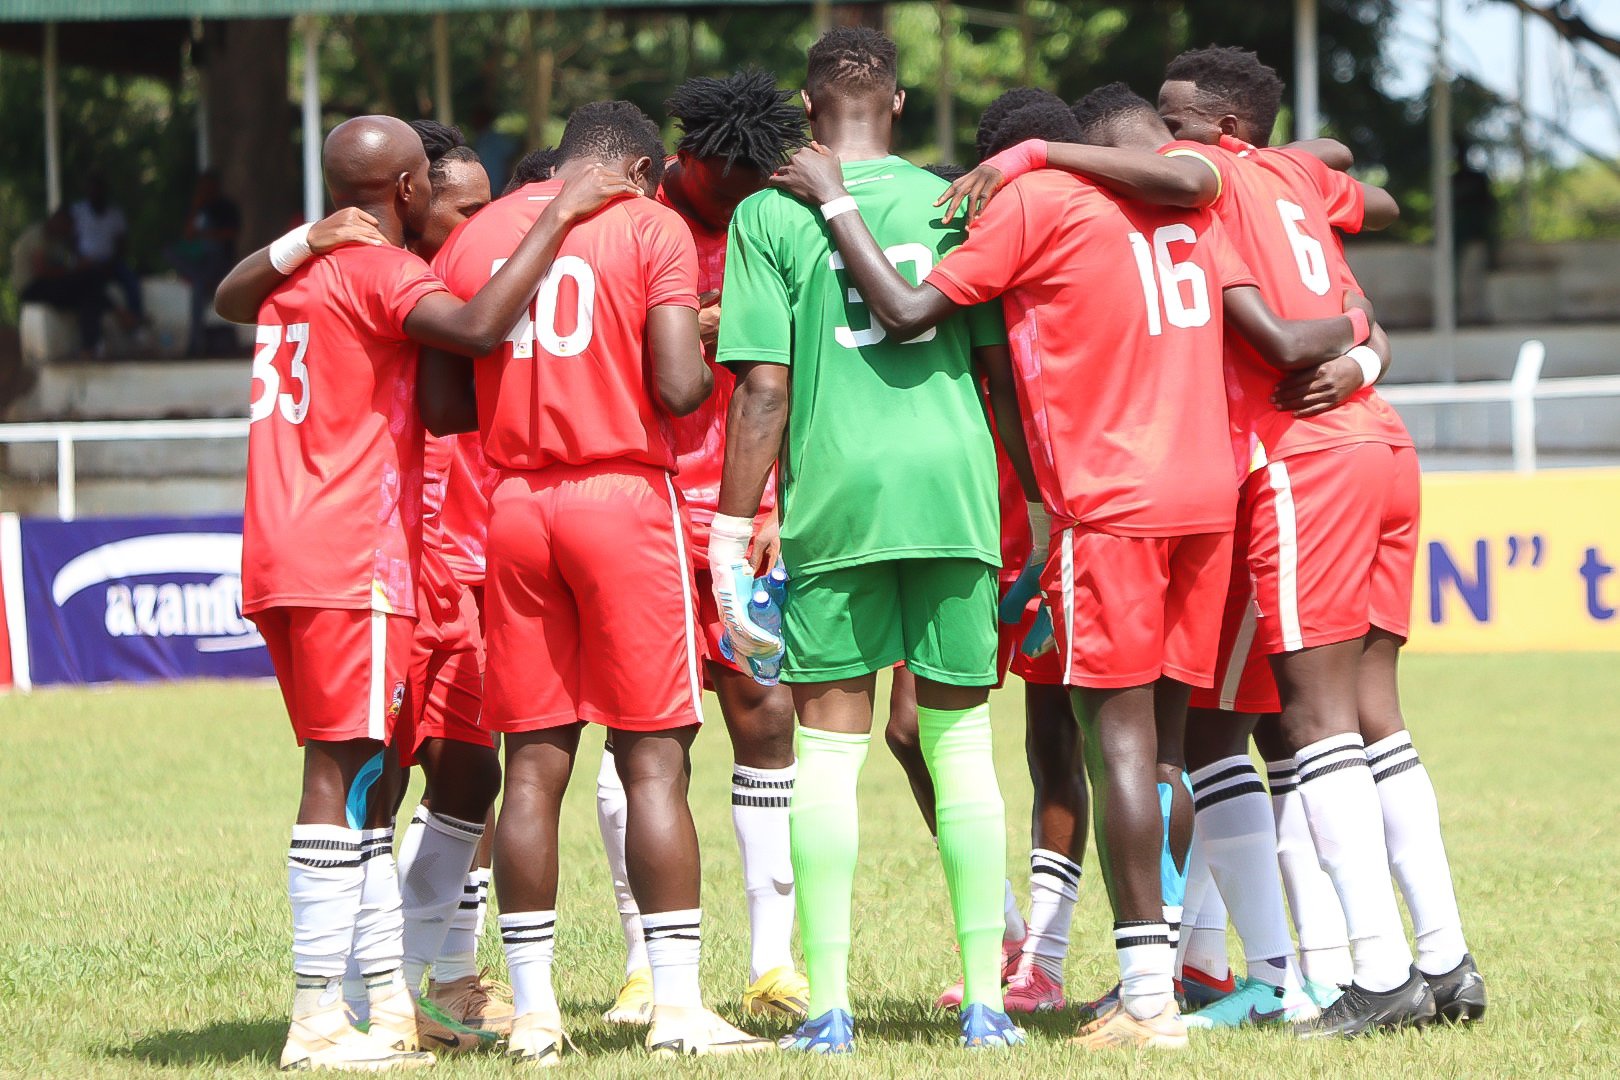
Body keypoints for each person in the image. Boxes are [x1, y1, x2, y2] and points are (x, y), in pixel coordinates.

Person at [771, 82, 1373, 1050]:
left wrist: (838, 203)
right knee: (1169, 748)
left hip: (1110, 505)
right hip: (1207, 500)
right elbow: (1330, 185)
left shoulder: (1044, 205)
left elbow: (910, 307)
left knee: (1115, 747)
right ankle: (1184, 966)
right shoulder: (1194, 208)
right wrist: (1367, 339)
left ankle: (1145, 1000)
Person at [226, 112, 631, 1071]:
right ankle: (319, 1016)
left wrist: (299, 234)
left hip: (286, 551)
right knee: (349, 778)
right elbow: (484, 323)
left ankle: (389, 1005)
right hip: (350, 556)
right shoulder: (382, 271)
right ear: (408, 190)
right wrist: (563, 210)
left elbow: (227, 295)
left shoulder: (301, 268)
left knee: (362, 775)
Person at [424, 99, 772, 1061]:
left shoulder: (480, 231)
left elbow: (446, 399)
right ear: (645, 168)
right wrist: (704, 339)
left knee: (534, 764)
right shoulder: (649, 222)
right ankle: (675, 1008)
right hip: (621, 495)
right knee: (653, 757)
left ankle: (534, 1016)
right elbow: (677, 391)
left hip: (515, 505)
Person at [715, 27, 1028, 1055]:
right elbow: (996, 371)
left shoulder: (768, 213)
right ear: (897, 103)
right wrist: (1040, 504)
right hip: (953, 494)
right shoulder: (954, 202)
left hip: (838, 499)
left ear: (806, 107)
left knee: (829, 753)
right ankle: (988, 1003)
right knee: (963, 748)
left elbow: (764, 385)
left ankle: (832, 1008)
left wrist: (730, 528)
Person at [1158, 44, 1481, 1034]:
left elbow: (1280, 341)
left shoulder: (1214, 199)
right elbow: (1365, 212)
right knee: (1375, 710)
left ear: (1222, 135)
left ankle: (1375, 976)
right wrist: (1365, 341)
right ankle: (1444, 958)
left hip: (1302, 459)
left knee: (1308, 721)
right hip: (1382, 438)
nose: (1165, 149)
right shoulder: (1294, 179)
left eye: (1174, 127)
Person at [594, 67, 810, 1028]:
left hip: (741, 506)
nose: (748, 192)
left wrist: (779, 500)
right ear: (691, 159)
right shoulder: (631, 219)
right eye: (735, 180)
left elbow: (801, 365)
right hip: (638, 500)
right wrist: (682, 332)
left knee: (764, 712)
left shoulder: (772, 216)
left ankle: (774, 963)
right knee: (642, 730)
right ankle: (644, 961)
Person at [888, 96, 1093, 1017]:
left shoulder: (1083, 226)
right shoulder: (949, 228)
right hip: (959, 503)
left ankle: (1041, 960)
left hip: (1044, 506)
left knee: (1056, 735)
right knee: (912, 729)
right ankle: (1004, 930)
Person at [11, 208, 111, 354]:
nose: (68, 230)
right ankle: (118, 316)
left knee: (88, 294)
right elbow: (42, 271)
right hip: (31, 288)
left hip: (46, 286)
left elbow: (65, 264)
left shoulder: (57, 240)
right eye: (67, 226)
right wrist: (74, 269)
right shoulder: (38, 234)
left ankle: (91, 347)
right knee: (87, 282)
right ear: (58, 222)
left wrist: (73, 247)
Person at [165, 169, 241, 355]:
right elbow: (188, 235)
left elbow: (230, 234)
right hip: (199, 262)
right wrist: (196, 207)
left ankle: (195, 346)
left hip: (219, 262)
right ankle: (200, 276)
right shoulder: (198, 208)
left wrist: (206, 235)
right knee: (169, 252)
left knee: (200, 284)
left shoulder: (226, 207)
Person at [71, 173, 144, 330]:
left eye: (98, 190)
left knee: (132, 282)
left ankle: (136, 323)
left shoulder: (115, 214)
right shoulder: (78, 211)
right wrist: (81, 261)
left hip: (112, 263)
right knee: (90, 290)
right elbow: (72, 241)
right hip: (87, 265)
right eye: (91, 190)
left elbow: (122, 244)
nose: (95, 194)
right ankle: (96, 335)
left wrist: (110, 263)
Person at [469, 105, 518, 195]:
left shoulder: (496, 139)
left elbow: (515, 151)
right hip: (485, 189)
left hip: (497, 188)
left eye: (478, 119)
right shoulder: (479, 140)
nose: (474, 122)